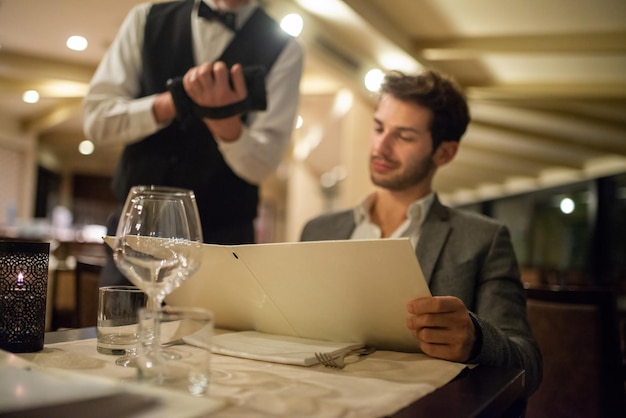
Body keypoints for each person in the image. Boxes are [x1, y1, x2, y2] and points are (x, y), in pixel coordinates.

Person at [300, 69, 542, 396]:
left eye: (403, 136)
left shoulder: (484, 239)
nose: (380, 146)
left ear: (445, 153)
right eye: (378, 127)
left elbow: (529, 363)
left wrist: (476, 339)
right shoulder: (319, 230)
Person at [83, 0, 303, 286]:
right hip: (135, 237)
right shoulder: (147, 18)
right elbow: (97, 121)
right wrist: (174, 101)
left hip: (224, 244)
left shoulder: (285, 47)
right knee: (123, 331)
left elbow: (262, 165)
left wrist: (223, 121)